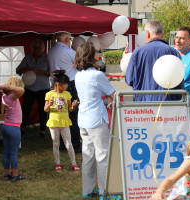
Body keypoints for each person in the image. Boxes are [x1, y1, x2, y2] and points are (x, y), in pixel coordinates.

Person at [74, 43, 119, 200]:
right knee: (102, 156)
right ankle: (104, 193)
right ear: (90, 56)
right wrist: (109, 99)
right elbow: (114, 95)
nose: (98, 55)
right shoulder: (97, 75)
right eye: (96, 53)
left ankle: (87, 190)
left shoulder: (78, 75)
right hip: (97, 120)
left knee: (88, 156)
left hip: (84, 120)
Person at [125, 19, 184, 101]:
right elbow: (179, 82)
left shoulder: (138, 52)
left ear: (148, 34)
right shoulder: (173, 52)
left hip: (143, 104)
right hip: (168, 104)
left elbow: (129, 80)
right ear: (162, 35)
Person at [47, 32, 81, 153]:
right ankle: (75, 144)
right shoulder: (70, 52)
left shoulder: (50, 51)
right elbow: (80, 65)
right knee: (75, 114)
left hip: (55, 85)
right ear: (67, 39)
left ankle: (61, 143)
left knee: (59, 113)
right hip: (69, 84)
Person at [44, 70, 80, 172]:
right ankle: (57, 164)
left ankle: (74, 163)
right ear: (58, 84)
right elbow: (45, 109)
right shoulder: (49, 94)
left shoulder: (67, 94)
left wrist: (73, 106)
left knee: (68, 143)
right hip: (53, 123)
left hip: (64, 122)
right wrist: (49, 104)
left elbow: (70, 109)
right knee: (56, 144)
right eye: (66, 84)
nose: (67, 86)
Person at [16, 39, 50, 138]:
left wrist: (45, 73)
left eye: (39, 49)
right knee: (26, 108)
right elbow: (18, 70)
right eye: (35, 48)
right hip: (29, 88)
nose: (37, 50)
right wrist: (28, 69)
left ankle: (43, 130)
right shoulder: (27, 58)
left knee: (43, 110)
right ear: (32, 48)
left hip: (43, 88)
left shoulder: (47, 58)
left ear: (43, 49)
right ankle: (22, 128)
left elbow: (53, 72)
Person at [0, 76, 26, 182]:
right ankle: (15, 174)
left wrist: (6, 87)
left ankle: (6, 174)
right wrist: (11, 88)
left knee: (6, 151)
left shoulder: (4, 97)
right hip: (14, 128)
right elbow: (22, 90)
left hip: (5, 126)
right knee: (13, 152)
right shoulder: (13, 97)